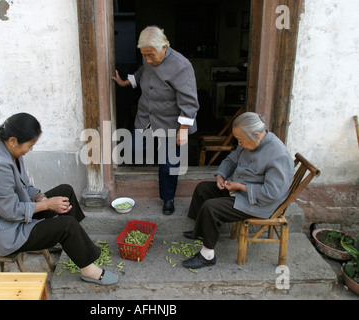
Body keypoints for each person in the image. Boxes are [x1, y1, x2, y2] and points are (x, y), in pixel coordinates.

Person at [0, 113, 118, 285]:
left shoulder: (10, 152)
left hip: (21, 212)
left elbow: (24, 185)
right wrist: (47, 204)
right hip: (9, 231)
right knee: (67, 226)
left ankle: (79, 244)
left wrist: (39, 196)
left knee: (65, 191)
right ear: (13, 140)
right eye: (30, 145)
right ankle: (89, 270)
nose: (31, 149)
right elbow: (10, 211)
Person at [182, 112, 294, 269]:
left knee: (211, 207)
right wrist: (221, 175)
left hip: (259, 202)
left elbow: (272, 193)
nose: (239, 144)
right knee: (203, 189)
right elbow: (231, 159)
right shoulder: (252, 141)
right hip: (242, 190)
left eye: (241, 140)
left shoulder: (278, 154)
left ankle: (207, 256)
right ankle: (200, 231)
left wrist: (240, 187)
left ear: (256, 135)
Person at [111, 26, 200, 215]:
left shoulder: (181, 66)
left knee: (168, 164)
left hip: (171, 123)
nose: (148, 59)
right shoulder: (149, 59)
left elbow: (190, 101)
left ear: (164, 47)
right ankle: (162, 154)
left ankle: (168, 198)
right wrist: (126, 82)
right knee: (132, 148)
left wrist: (183, 129)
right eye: (144, 55)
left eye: (150, 55)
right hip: (146, 117)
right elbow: (144, 72)